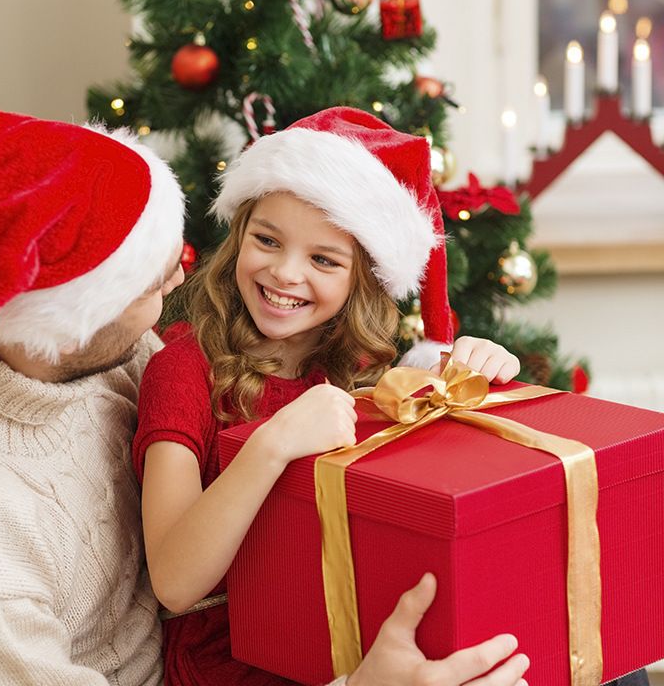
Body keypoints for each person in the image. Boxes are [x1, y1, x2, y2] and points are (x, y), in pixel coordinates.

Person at [0, 109, 534, 686]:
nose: (177, 285)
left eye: (324, 259)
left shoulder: (102, 354)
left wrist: (446, 377)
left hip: (322, 619)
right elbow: (179, 581)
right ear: (73, 319)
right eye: (151, 284)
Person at [134, 106, 537, 686]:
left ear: (362, 279)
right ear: (239, 236)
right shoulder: (183, 372)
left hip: (350, 632)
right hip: (237, 662)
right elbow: (174, 581)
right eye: (266, 240)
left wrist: (479, 376)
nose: (285, 273)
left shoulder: (363, 373)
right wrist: (270, 445)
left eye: (323, 259)